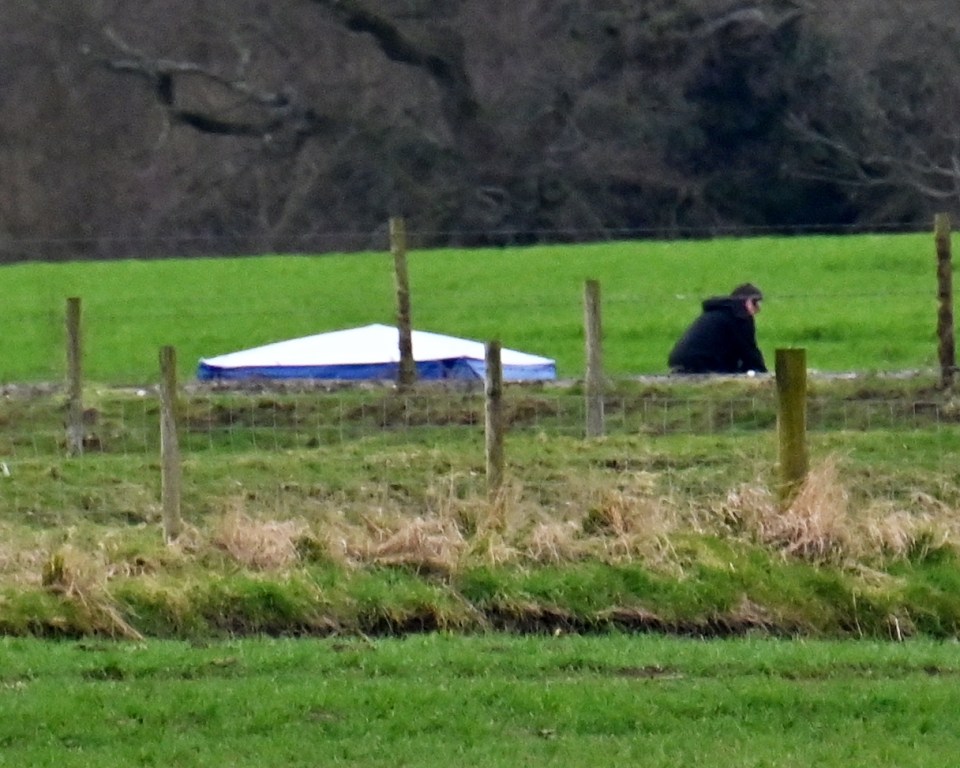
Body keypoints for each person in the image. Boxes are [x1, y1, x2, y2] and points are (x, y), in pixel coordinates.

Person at [668, 283, 767, 374]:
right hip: (701, 363)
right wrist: (763, 374)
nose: (758, 309)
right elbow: (748, 351)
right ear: (747, 302)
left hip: (682, 360)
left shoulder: (717, 313)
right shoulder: (739, 318)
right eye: (755, 303)